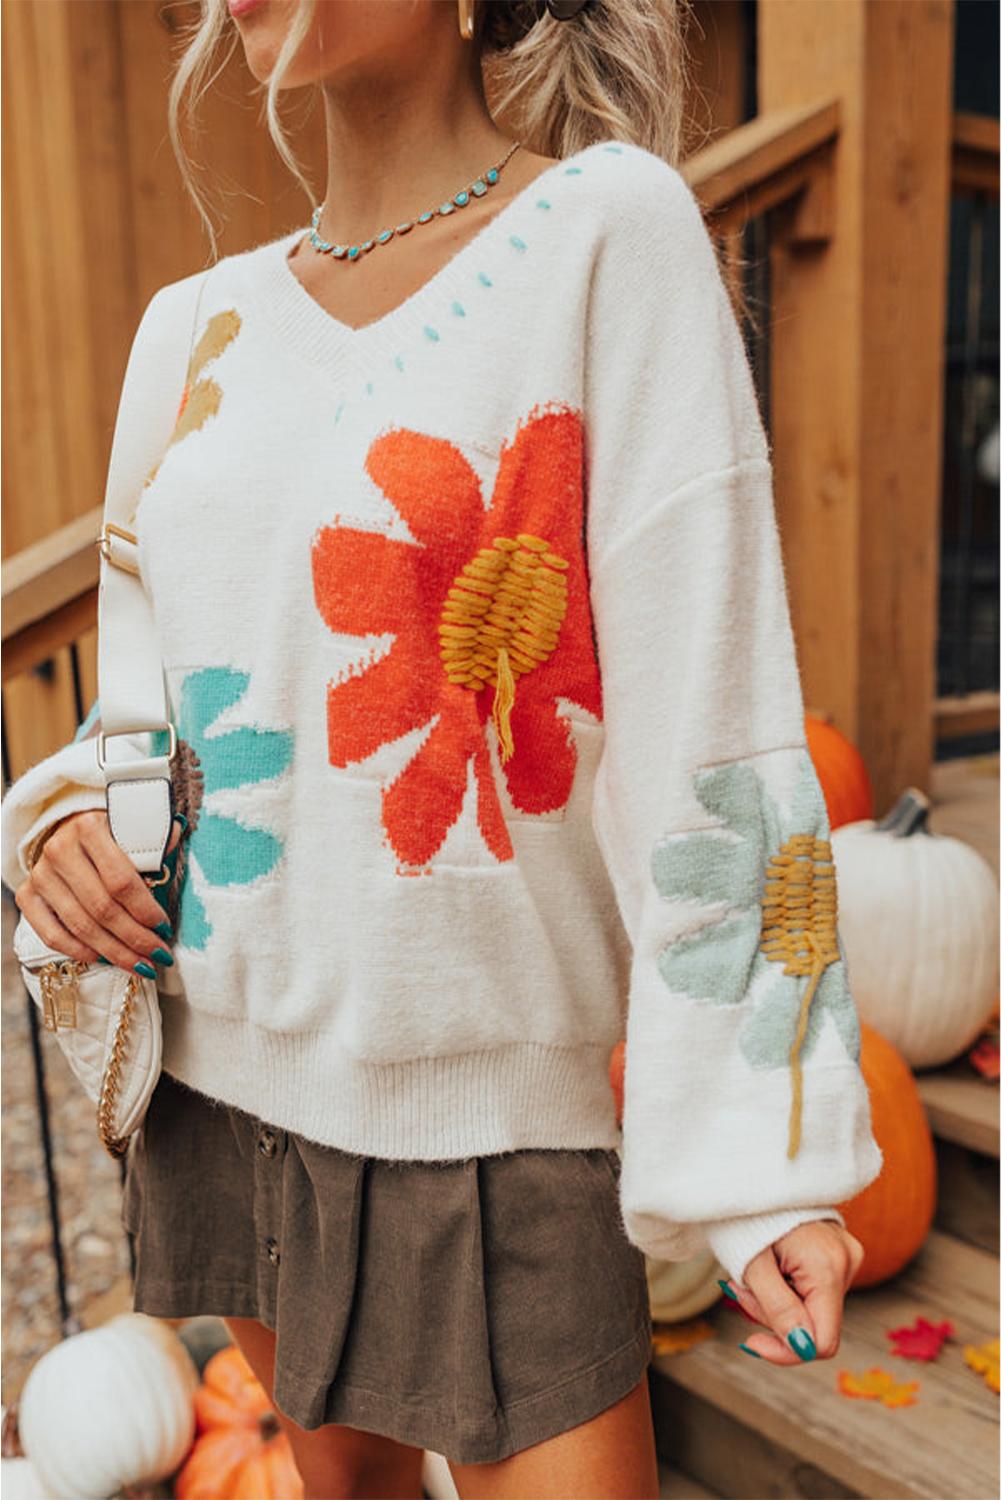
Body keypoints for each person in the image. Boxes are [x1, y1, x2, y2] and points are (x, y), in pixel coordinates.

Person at [2, 1, 882, 1496]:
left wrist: (761, 1165)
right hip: (230, 1080)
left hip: (501, 1118)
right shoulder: (188, 328)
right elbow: (146, 710)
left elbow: (705, 702)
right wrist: (61, 821)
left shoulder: (607, 232)